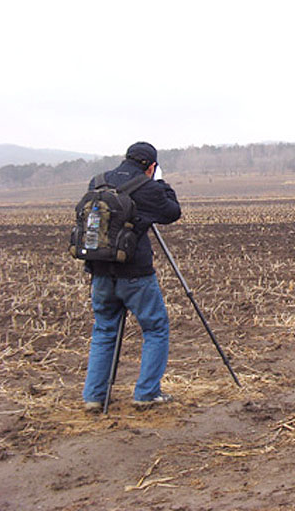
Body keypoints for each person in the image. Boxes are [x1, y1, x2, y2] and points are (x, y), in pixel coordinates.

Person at [82, 142, 181, 410]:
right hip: (135, 273)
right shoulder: (148, 186)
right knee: (155, 328)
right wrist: (160, 183)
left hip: (100, 270)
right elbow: (173, 212)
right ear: (150, 166)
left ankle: (93, 397)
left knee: (104, 330)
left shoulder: (98, 182)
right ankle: (146, 393)